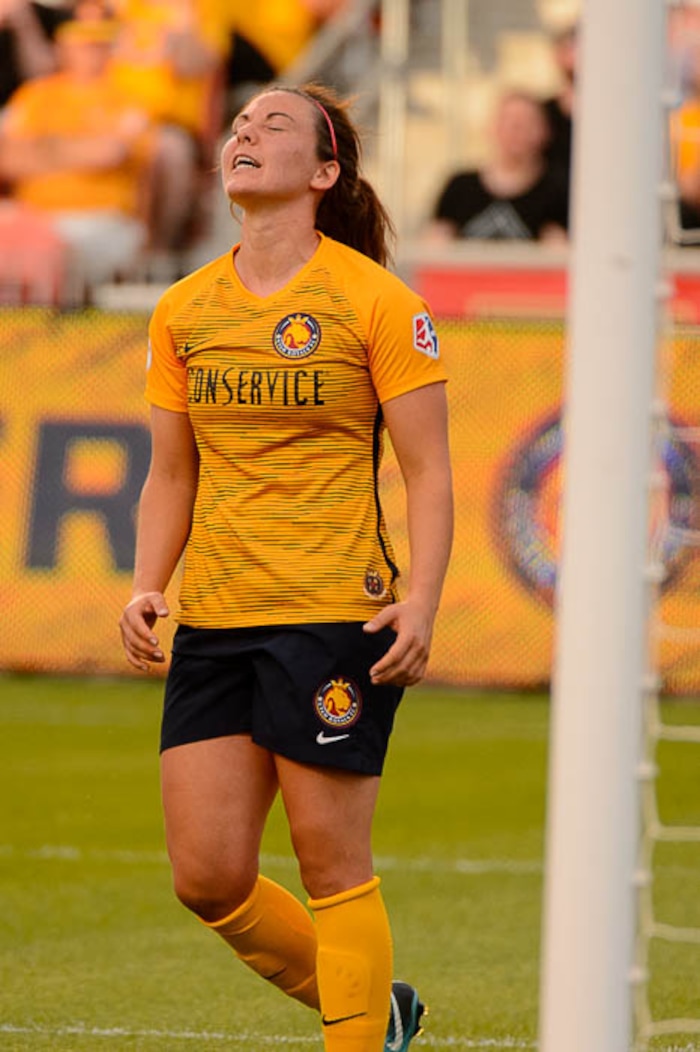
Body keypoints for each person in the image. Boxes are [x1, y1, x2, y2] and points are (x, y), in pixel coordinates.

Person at [118, 81, 453, 1052]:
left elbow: (429, 472)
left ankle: (356, 1034)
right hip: (217, 616)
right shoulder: (182, 310)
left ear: (324, 168)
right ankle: (374, 1004)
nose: (243, 133)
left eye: (271, 124)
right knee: (208, 875)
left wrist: (422, 599)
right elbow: (170, 471)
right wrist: (148, 583)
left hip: (331, 614)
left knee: (330, 860)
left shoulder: (378, 303)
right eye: (237, 125)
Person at [0, 17, 154, 289]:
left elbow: (110, 152)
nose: (91, 51)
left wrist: (41, 149)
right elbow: (7, 158)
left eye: (99, 44)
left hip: (101, 219)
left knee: (47, 246)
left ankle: (48, 326)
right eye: (83, 44)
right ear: (62, 48)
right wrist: (80, 149)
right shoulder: (35, 95)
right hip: (34, 214)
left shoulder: (130, 96)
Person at [426, 90, 569, 243]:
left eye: (526, 123)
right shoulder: (460, 187)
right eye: (508, 121)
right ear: (491, 127)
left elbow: (559, 254)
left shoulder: (557, 192)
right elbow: (435, 247)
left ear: (544, 131)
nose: (515, 131)